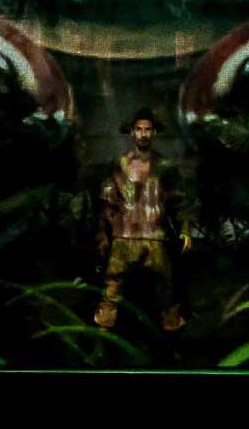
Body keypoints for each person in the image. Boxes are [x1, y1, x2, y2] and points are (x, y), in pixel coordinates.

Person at [94, 108, 195, 331]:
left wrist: (185, 229)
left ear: (154, 133)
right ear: (132, 132)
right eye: (139, 129)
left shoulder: (165, 166)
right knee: (112, 288)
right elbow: (107, 202)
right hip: (123, 236)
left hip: (155, 236)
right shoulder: (119, 164)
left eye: (147, 129)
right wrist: (102, 234)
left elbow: (179, 201)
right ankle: (103, 333)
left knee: (165, 289)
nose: (143, 134)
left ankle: (173, 332)